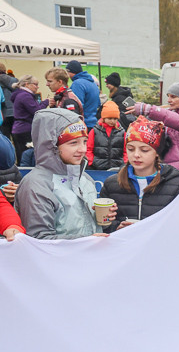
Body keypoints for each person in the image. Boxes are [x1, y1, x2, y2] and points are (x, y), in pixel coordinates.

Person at [13, 108, 112, 239]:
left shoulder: (85, 178)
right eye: (73, 143)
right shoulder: (36, 185)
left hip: (89, 257)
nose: (82, 149)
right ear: (52, 146)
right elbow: (39, 241)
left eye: (84, 141)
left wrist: (106, 222)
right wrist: (86, 242)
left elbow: (88, 228)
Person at [98, 117, 179, 229]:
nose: (136, 155)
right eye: (130, 149)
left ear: (157, 152)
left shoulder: (176, 185)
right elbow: (103, 226)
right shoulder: (112, 184)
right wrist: (116, 227)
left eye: (144, 150)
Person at [130, 83, 179, 171]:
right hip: (176, 165)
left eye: (173, 97)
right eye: (168, 96)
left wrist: (150, 110)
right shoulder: (175, 112)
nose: (169, 100)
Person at [11, 75, 46, 162]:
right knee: (26, 157)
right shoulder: (25, 96)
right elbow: (37, 111)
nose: (38, 87)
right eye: (36, 84)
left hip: (19, 129)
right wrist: (46, 102)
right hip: (25, 129)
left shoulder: (20, 94)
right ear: (27, 84)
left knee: (21, 155)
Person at [87, 101, 125, 170]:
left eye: (115, 119)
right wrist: (92, 161)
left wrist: (124, 162)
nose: (112, 121)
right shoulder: (94, 131)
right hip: (97, 168)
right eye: (109, 118)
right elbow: (88, 148)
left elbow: (126, 150)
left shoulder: (122, 132)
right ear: (103, 118)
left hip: (117, 168)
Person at [65, 60, 99, 129]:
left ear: (70, 72)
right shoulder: (93, 83)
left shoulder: (77, 84)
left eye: (67, 72)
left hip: (83, 124)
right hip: (94, 124)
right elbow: (98, 104)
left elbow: (77, 106)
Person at [0, 62, 16, 139]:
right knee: (17, 141)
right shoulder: (15, 81)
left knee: (4, 139)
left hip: (2, 115)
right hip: (15, 113)